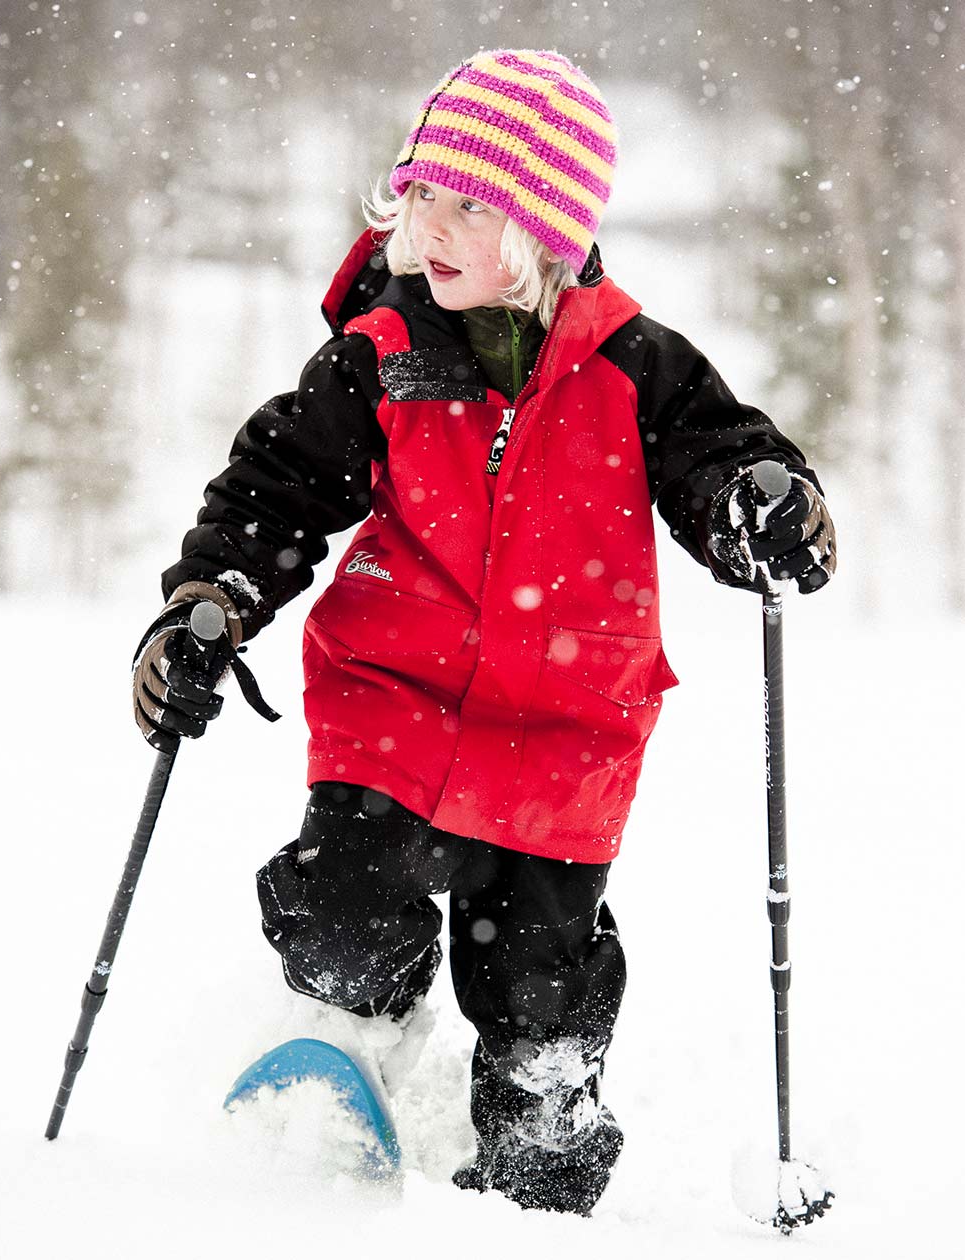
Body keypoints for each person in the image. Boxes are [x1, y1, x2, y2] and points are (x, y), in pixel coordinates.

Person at [131, 49, 836, 1215]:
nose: (434, 226)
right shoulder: (383, 353)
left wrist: (762, 504)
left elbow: (721, 461)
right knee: (345, 899)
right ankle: (347, 1043)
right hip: (392, 702)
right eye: (422, 195)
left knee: (542, 987)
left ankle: (539, 1146)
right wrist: (211, 601)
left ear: (547, 228)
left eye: (472, 205)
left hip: (567, 733)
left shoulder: (636, 367)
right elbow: (276, 489)